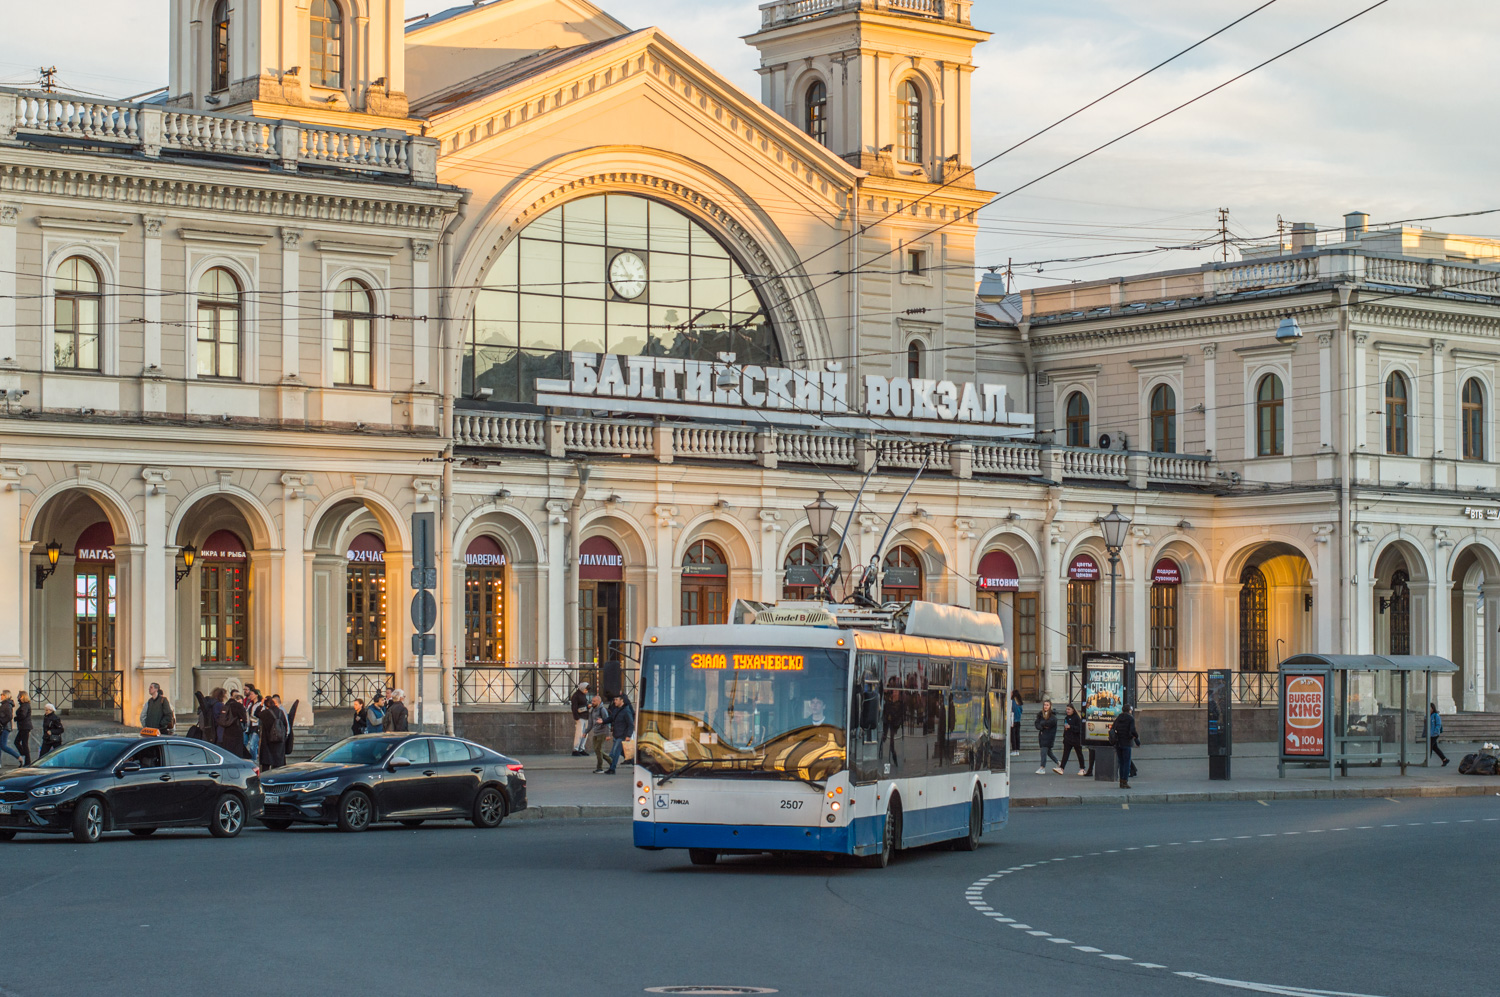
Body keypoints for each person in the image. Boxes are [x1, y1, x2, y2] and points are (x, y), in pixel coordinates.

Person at [1109, 703, 1140, 789]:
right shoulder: (1130, 718)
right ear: (1129, 710)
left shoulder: (1119, 717)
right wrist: (1136, 736)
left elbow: (1113, 728)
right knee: (1127, 762)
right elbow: (1133, 730)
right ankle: (1125, 781)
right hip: (1126, 743)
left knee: (1121, 762)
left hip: (1118, 743)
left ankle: (1121, 782)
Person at [604, 694, 634, 775]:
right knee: (622, 752)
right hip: (617, 734)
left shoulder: (626, 711)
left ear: (622, 701)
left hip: (622, 735)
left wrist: (628, 735)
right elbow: (611, 718)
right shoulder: (616, 709)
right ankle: (636, 764)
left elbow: (631, 724)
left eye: (616, 700)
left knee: (614, 753)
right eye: (614, 700)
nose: (614, 701)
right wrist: (603, 721)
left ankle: (612, 768)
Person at [217, 690, 249, 759]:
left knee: (228, 753)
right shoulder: (238, 706)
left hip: (226, 732)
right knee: (237, 753)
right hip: (236, 731)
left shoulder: (226, 705)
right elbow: (244, 718)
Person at [260, 695, 289, 770]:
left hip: (267, 741)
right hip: (279, 741)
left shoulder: (265, 713)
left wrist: (261, 704)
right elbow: (285, 725)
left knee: (266, 764)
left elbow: (256, 714)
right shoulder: (280, 712)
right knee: (278, 765)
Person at [1033, 699, 1059, 775]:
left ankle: (1042, 767)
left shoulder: (1052, 716)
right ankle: (1058, 762)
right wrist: (1042, 726)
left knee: (1043, 751)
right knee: (1048, 752)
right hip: (1042, 735)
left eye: (1047, 705)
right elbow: (1037, 723)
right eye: (1044, 705)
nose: (1046, 706)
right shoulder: (1041, 714)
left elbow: (1049, 723)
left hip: (1049, 736)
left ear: (1050, 706)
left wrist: (1042, 724)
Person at [585, 695, 610, 772]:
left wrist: (608, 734)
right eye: (592, 701)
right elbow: (590, 723)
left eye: (594, 701)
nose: (592, 703)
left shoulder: (602, 710)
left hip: (602, 732)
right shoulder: (592, 710)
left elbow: (607, 722)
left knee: (598, 749)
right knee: (597, 750)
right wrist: (586, 732)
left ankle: (599, 768)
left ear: (599, 701)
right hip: (595, 732)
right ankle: (612, 762)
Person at [1060, 703, 1087, 775]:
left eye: (1069, 709)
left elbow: (1079, 729)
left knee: (1079, 753)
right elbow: (1065, 728)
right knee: (1065, 754)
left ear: (1073, 710)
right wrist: (1064, 737)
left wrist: (1070, 727)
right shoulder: (1066, 718)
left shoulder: (1077, 718)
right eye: (1066, 709)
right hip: (1068, 739)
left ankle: (1082, 768)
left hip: (1076, 739)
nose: (1067, 711)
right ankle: (1061, 768)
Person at [570, 681, 592, 756]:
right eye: (586, 690)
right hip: (580, 717)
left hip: (585, 716)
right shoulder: (576, 696)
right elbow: (574, 707)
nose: (586, 691)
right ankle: (575, 749)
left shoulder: (582, 695)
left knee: (585, 733)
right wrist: (576, 717)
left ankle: (581, 748)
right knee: (579, 733)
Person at [0, 691, 20, 766]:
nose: (1, 696)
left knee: (3, 746)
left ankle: (18, 757)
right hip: (3, 727)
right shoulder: (4, 704)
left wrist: (2, 722)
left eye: (2, 695)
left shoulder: (6, 705)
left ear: (6, 695)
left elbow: (9, 716)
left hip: (5, 728)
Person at [14, 692, 33, 767]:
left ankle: (27, 760)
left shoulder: (25, 705)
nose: (18, 697)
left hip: (25, 727)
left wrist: (16, 718)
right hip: (24, 727)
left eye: (19, 696)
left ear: (22, 697)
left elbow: (23, 715)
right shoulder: (24, 705)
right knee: (19, 742)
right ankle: (25, 757)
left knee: (22, 743)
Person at [243, 689, 262, 765]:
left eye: (251, 694)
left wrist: (252, 718)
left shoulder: (260, 704)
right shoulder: (250, 704)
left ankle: (254, 760)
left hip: (256, 726)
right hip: (249, 726)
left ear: (256, 695)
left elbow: (258, 716)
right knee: (245, 742)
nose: (250, 696)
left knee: (253, 744)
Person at [1009, 690, 1022, 757]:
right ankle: (1017, 750)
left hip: (1013, 720)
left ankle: (1014, 749)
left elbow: (1011, 711)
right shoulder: (1019, 702)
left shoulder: (1012, 702)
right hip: (1018, 720)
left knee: (1013, 735)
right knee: (1017, 735)